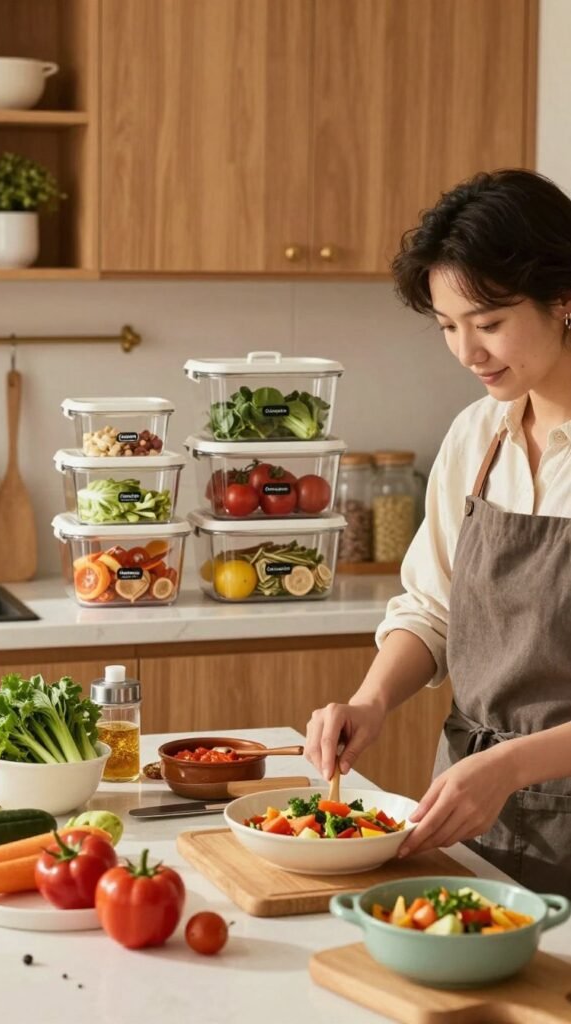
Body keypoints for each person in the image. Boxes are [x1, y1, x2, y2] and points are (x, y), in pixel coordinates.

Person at [304, 168, 571, 896]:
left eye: (487, 323)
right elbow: (432, 610)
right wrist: (370, 700)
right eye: (447, 326)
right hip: (471, 815)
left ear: (562, 297)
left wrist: (512, 765)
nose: (466, 352)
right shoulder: (477, 435)